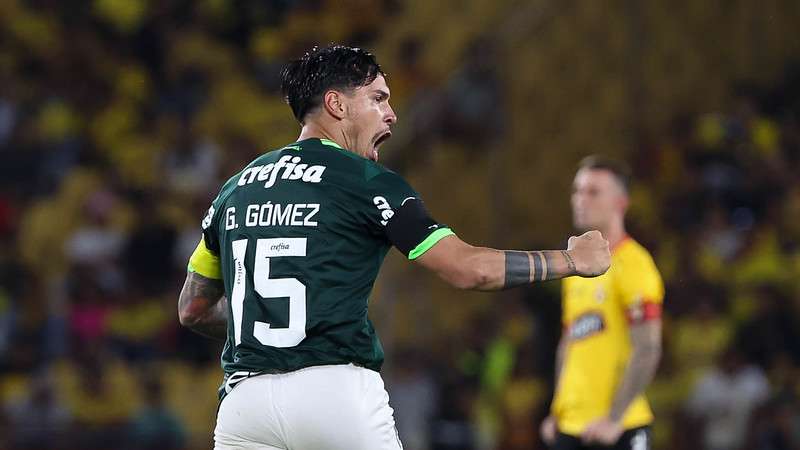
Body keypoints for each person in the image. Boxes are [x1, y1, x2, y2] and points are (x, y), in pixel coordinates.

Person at [177, 45, 611, 450]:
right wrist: (572, 260)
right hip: (333, 393)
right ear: (337, 105)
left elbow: (192, 308)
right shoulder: (366, 182)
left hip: (244, 405)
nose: (392, 114)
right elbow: (468, 268)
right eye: (379, 98)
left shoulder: (235, 189)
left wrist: (265, 321)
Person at [540, 156, 664, 450]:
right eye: (577, 191)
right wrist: (556, 411)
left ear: (621, 202)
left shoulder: (634, 263)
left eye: (593, 192)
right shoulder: (575, 267)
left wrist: (615, 418)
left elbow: (647, 347)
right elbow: (569, 343)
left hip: (618, 429)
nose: (580, 200)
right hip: (570, 426)